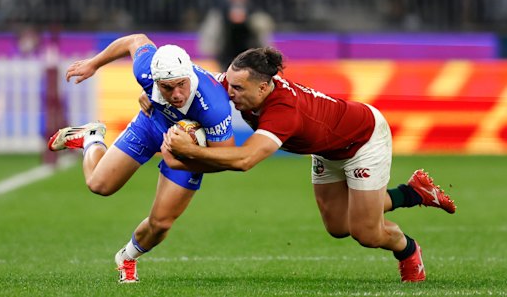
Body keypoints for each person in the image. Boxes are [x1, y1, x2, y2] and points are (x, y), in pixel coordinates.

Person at [160, 46, 456, 282]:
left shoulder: (283, 111)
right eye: (229, 82)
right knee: (338, 227)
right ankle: (414, 192)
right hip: (327, 149)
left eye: (238, 88)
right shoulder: (234, 84)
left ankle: (408, 250)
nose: (229, 91)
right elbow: (192, 78)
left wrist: (190, 152)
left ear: (264, 88)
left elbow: (245, 160)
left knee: (365, 233)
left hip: (362, 141)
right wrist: (151, 96)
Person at [48, 33, 235, 283]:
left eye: (182, 84)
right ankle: (92, 137)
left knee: (161, 224)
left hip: (189, 151)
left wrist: (182, 157)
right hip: (150, 126)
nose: (177, 93)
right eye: (168, 88)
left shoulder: (214, 106)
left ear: (189, 75)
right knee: (98, 185)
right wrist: (94, 63)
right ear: (157, 82)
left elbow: (226, 159)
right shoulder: (146, 70)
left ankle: (127, 257)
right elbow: (135, 40)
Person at [198, 0, 274, 71]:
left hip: (250, 56)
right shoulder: (221, 10)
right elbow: (211, 33)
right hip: (226, 55)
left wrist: (249, 19)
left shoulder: (253, 8)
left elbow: (264, 28)